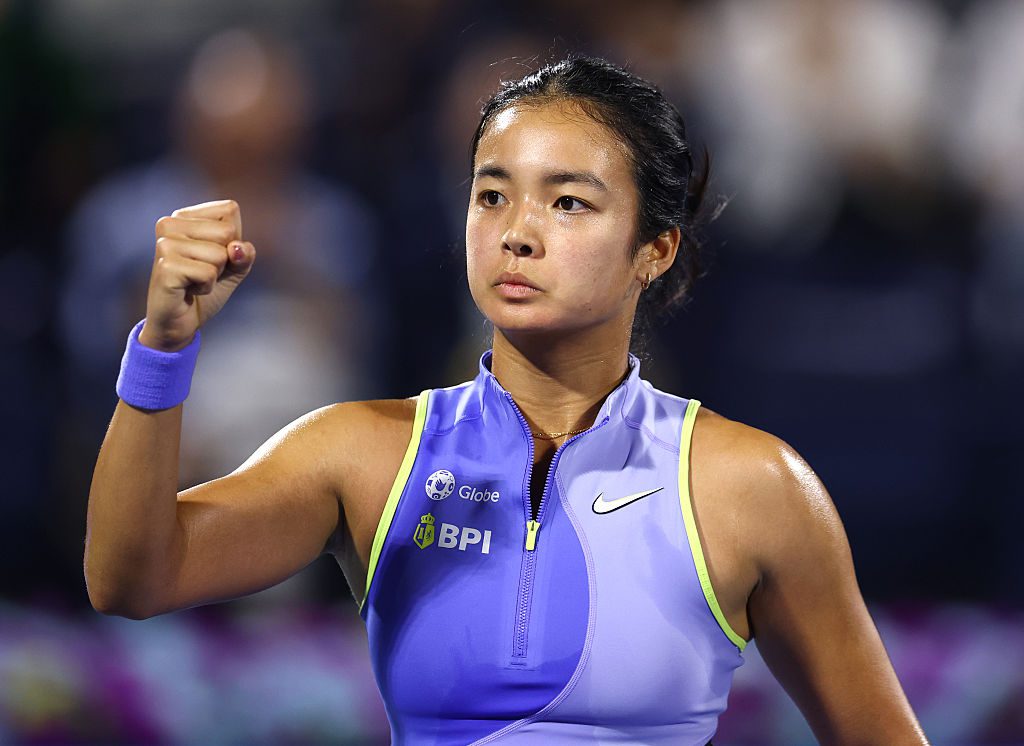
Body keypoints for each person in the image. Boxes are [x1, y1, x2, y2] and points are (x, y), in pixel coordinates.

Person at [84, 56, 929, 744]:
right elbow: (131, 578)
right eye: (492, 194)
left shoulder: (756, 487)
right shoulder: (365, 454)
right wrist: (163, 349)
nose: (517, 230)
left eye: (568, 202)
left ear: (655, 249)